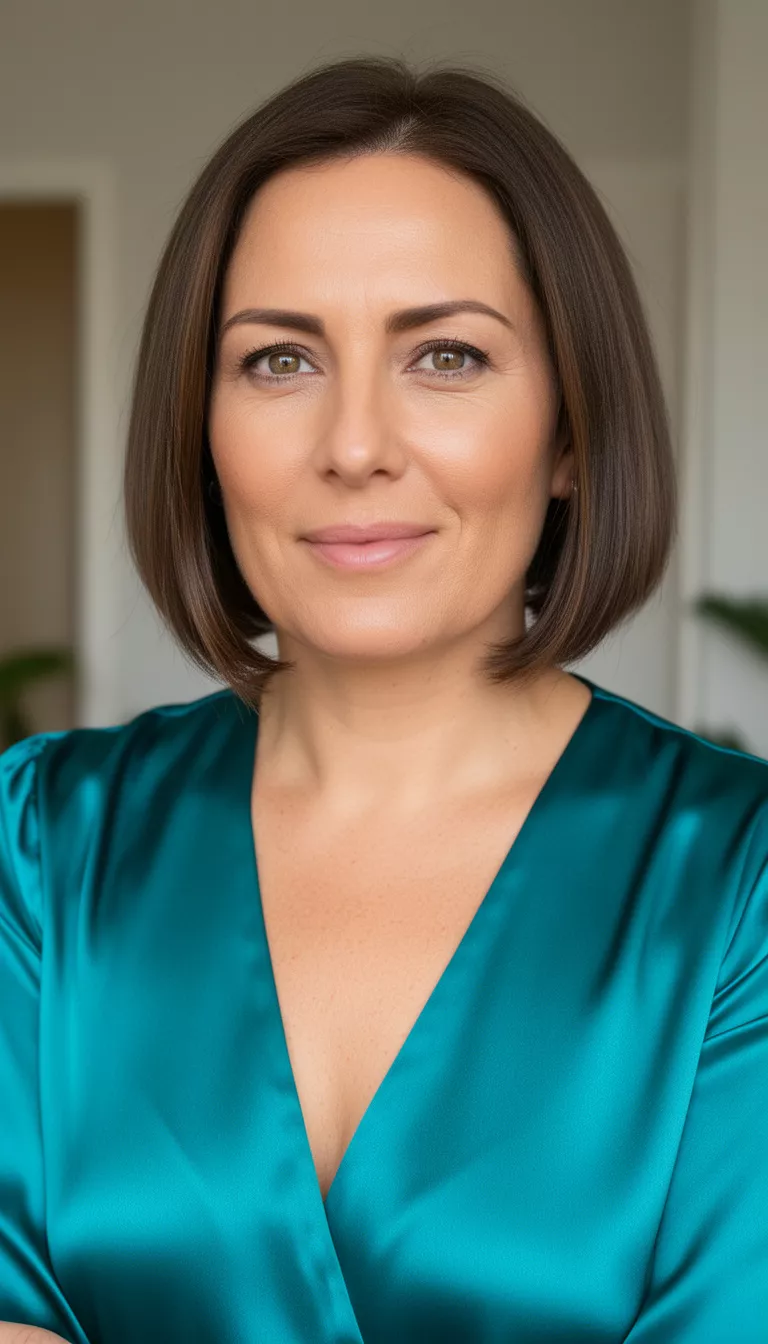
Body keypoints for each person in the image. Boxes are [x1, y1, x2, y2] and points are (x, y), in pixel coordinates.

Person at [0, 53, 766, 1344]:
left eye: (446, 355)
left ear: (570, 431)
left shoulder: (739, 884)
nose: (354, 446)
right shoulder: (37, 845)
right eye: (279, 361)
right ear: (201, 428)